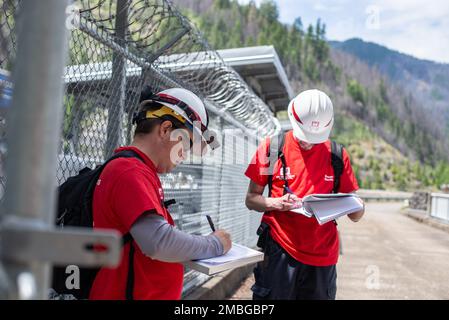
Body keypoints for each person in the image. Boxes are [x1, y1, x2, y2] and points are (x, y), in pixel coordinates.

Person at [89, 87, 232, 300]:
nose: (184, 154)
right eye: (187, 143)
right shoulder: (130, 171)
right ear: (165, 129)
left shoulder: (138, 169)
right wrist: (215, 244)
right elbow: (158, 242)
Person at [245, 89, 365, 300]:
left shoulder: (337, 155)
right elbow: (251, 199)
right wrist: (276, 203)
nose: (307, 142)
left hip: (323, 257)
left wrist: (359, 206)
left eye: (315, 138)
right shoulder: (272, 149)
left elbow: (354, 214)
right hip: (279, 251)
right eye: (303, 136)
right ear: (293, 119)